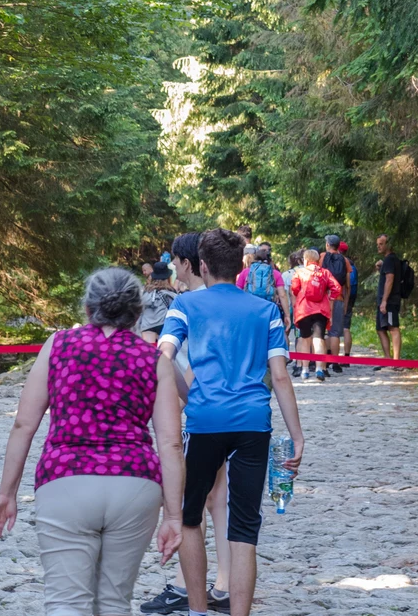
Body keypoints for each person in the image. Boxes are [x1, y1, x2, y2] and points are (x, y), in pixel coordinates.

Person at [0, 267, 184, 616]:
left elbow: (24, 424)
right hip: (135, 482)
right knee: (114, 602)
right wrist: (172, 514)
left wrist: (7, 493)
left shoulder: (59, 345)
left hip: (66, 478)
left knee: (66, 602)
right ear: (137, 311)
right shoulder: (153, 360)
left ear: (88, 308)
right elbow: (170, 443)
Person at [159, 228, 305, 616]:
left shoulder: (185, 306)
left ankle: (196, 611)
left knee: (190, 519)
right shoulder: (266, 311)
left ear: (202, 265)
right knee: (244, 528)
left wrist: (187, 398)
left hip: (205, 422)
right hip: (253, 424)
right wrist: (297, 436)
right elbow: (279, 376)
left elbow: (164, 356)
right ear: (240, 264)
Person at [141, 232, 231, 615]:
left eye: (176, 261)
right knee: (218, 500)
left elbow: (193, 362)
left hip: (200, 410)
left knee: (188, 503)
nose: (173, 267)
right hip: (230, 411)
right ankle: (225, 583)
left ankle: (185, 585)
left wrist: (174, 399)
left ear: (190, 264)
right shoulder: (221, 302)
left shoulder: (192, 304)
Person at [289, 249, 342, 382]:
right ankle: (319, 369)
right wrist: (330, 297)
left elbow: (294, 288)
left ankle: (305, 370)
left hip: (304, 310)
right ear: (318, 260)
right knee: (318, 340)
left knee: (305, 339)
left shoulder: (300, 272)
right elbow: (337, 288)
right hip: (321, 310)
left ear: (305, 260)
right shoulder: (324, 273)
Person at [235, 247, 292, 332]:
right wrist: (287, 315)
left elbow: (237, 292)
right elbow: (282, 295)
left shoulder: (246, 272)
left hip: (249, 308)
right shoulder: (275, 273)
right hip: (269, 309)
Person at [321, 235, 353, 374]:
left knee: (323, 332)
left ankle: (324, 362)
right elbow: (348, 285)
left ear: (328, 245)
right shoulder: (344, 260)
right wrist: (346, 303)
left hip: (323, 300)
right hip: (338, 298)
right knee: (335, 332)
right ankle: (335, 363)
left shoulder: (322, 257)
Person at [375, 234, 403, 364]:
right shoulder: (387, 261)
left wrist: (385, 301)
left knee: (393, 328)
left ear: (388, 245)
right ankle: (388, 359)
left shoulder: (391, 260)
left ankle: (396, 360)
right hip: (383, 300)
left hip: (390, 301)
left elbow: (390, 279)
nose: (378, 246)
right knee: (381, 329)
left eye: (381, 244)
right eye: (378, 244)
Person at [138, 261, 178, 344]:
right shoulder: (171, 294)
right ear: (168, 277)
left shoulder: (145, 292)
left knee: (149, 354)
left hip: (147, 328)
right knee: (162, 355)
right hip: (164, 328)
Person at [341, 241, 358, 360]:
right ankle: (347, 357)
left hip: (340, 297)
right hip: (351, 298)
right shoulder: (352, 265)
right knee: (346, 328)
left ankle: (331, 357)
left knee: (333, 330)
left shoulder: (340, 264)